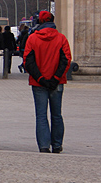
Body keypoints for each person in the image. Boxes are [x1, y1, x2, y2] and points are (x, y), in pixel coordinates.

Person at [23, 10, 71, 154]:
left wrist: (41, 78)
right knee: (57, 114)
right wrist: (56, 78)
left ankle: (44, 146)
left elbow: (28, 61)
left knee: (41, 115)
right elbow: (66, 60)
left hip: (39, 83)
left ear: (40, 22)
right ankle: (57, 145)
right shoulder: (61, 38)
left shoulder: (32, 39)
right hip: (57, 83)